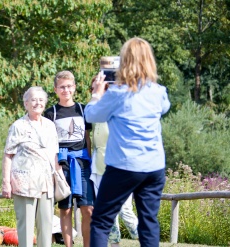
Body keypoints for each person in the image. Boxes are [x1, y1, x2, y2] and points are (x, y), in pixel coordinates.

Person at [84, 37, 171, 247]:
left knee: (101, 221)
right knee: (148, 222)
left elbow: (91, 115)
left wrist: (97, 94)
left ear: (125, 61)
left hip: (125, 165)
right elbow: (164, 108)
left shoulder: (117, 93)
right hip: (154, 166)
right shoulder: (158, 91)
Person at [2, 86, 59, 247]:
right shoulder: (18, 126)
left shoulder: (50, 125)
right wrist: (6, 182)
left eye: (41, 100)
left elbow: (55, 154)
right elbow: (8, 154)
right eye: (33, 100)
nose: (37, 103)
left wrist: (59, 178)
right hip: (23, 182)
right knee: (25, 225)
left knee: (46, 224)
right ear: (26, 103)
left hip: (46, 181)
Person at [44, 70, 94, 247]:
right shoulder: (51, 113)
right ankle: (68, 245)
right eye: (62, 87)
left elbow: (87, 138)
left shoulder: (83, 109)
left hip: (82, 163)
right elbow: (48, 143)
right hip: (61, 165)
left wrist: (91, 160)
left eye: (69, 86)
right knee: (65, 209)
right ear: (56, 90)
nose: (66, 90)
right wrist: (53, 168)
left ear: (74, 87)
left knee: (88, 208)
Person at [89, 78, 139, 247]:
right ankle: (114, 244)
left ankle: (146, 240)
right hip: (98, 167)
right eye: (94, 87)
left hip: (119, 168)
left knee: (125, 210)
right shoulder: (96, 111)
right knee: (107, 212)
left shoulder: (118, 109)